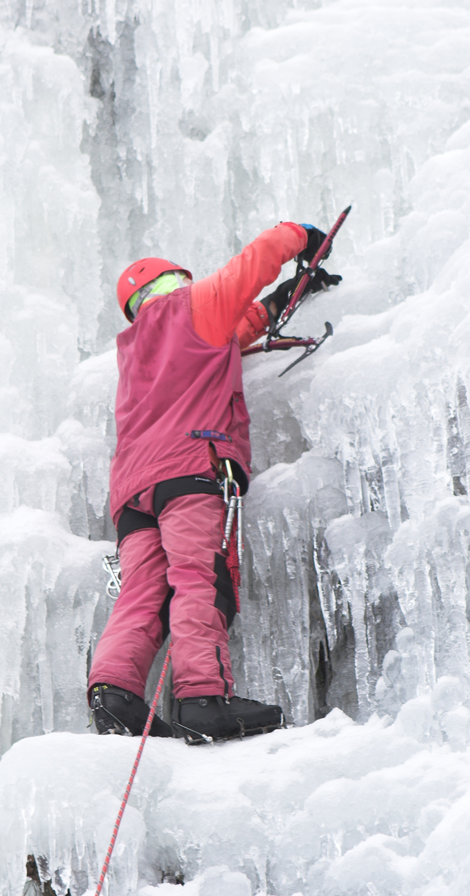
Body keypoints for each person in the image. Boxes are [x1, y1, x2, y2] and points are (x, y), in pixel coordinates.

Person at [88, 221, 341, 743]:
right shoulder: (192, 307)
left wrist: (285, 297)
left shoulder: (134, 349)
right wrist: (302, 234)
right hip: (189, 471)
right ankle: (203, 697)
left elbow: (239, 328)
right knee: (198, 577)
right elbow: (252, 263)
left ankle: (114, 695)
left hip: (133, 496)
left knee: (141, 592)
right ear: (175, 282)